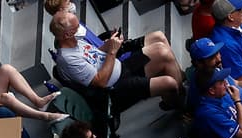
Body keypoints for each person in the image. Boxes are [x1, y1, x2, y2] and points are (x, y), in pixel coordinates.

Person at [48, 10, 182, 111]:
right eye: (76, 28)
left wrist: (110, 43)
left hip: (120, 67)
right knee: (170, 83)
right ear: (67, 34)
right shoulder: (67, 59)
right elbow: (100, 81)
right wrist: (112, 51)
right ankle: (181, 108)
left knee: (161, 50)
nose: (80, 29)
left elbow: (96, 54)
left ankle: (179, 97)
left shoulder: (75, 40)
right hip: (116, 88)